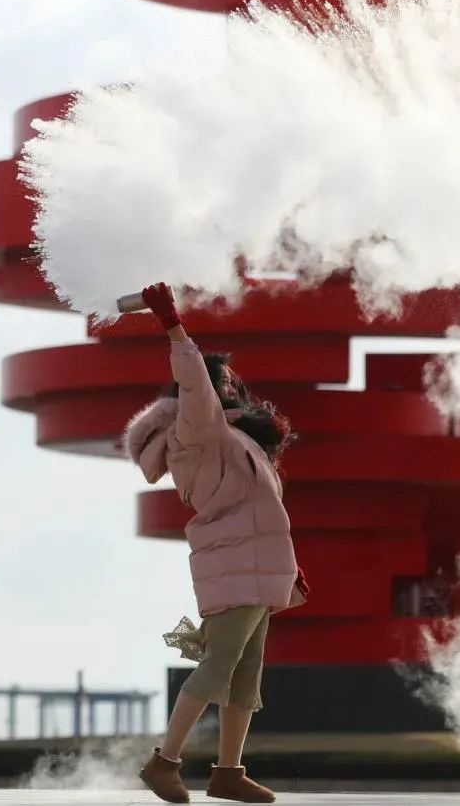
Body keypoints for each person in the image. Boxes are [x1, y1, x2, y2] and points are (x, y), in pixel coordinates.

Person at [124, 283, 309, 804]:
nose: (228, 384)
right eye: (218, 378)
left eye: (227, 378)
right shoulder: (196, 430)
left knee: (244, 676)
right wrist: (173, 326)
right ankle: (163, 762)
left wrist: (286, 567)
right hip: (233, 564)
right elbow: (194, 385)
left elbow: (262, 513)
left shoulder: (234, 436)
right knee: (218, 665)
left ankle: (228, 772)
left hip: (254, 567)